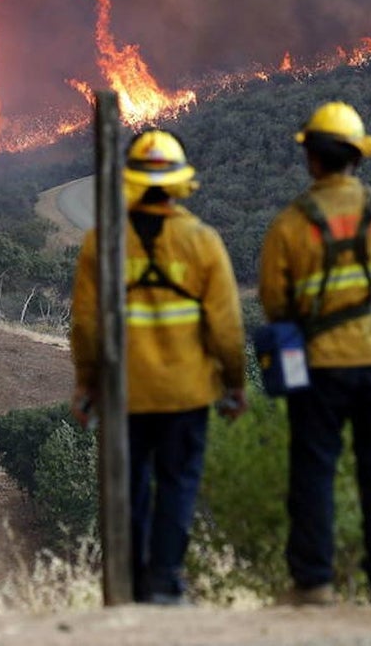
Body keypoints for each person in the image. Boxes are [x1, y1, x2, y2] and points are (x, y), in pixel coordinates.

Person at [69, 128, 247, 605]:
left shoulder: (101, 244)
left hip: (124, 391)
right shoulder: (202, 242)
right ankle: (164, 582)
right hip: (186, 392)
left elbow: (86, 325)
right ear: (179, 183)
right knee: (177, 484)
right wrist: (235, 383)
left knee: (128, 485)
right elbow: (227, 327)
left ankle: (130, 581)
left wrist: (86, 385)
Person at [257, 101, 371, 606]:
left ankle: (315, 583)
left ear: (313, 160)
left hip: (321, 364)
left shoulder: (291, 224)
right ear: (357, 158)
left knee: (314, 469)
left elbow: (274, 302)